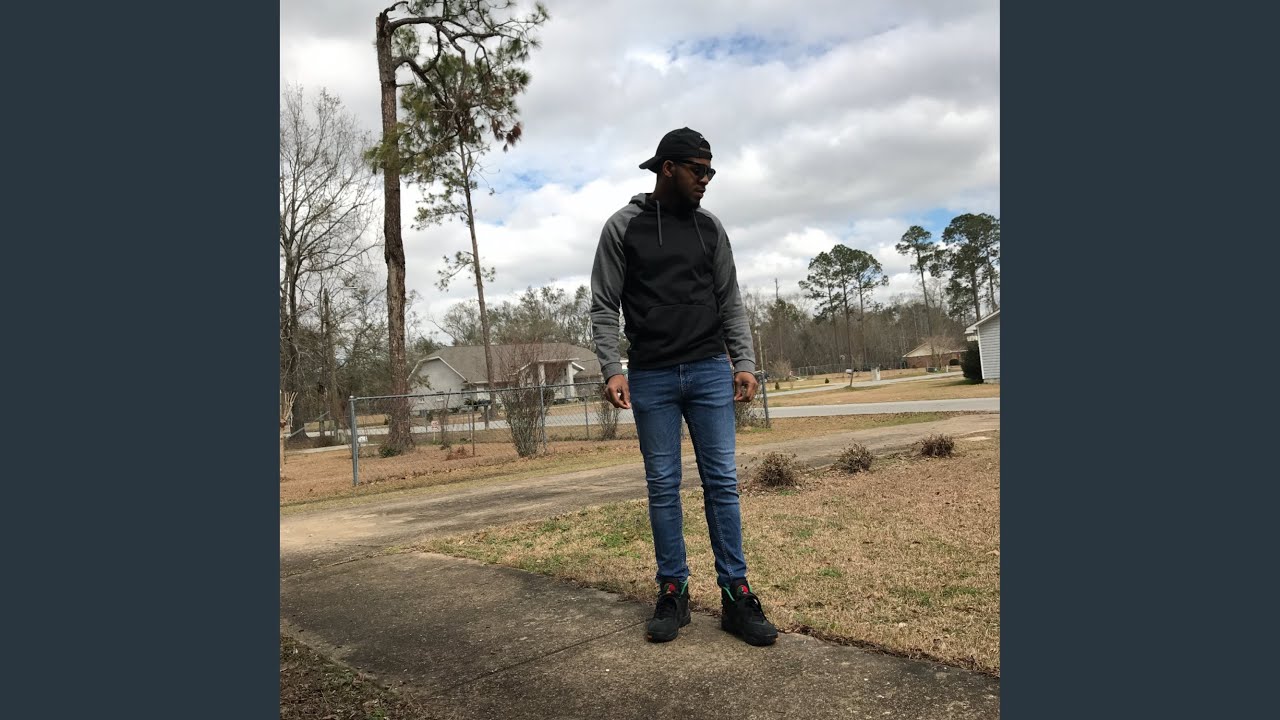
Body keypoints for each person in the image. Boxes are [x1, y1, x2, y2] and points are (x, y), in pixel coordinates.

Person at [589, 127, 777, 646]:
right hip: (651, 375)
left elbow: (730, 300)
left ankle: (736, 594)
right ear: (668, 168)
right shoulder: (623, 226)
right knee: (663, 486)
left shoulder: (709, 228)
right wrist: (612, 368)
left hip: (709, 370)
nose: (706, 179)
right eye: (699, 170)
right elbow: (604, 306)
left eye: (711, 171)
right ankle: (673, 591)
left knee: (722, 483)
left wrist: (744, 361)